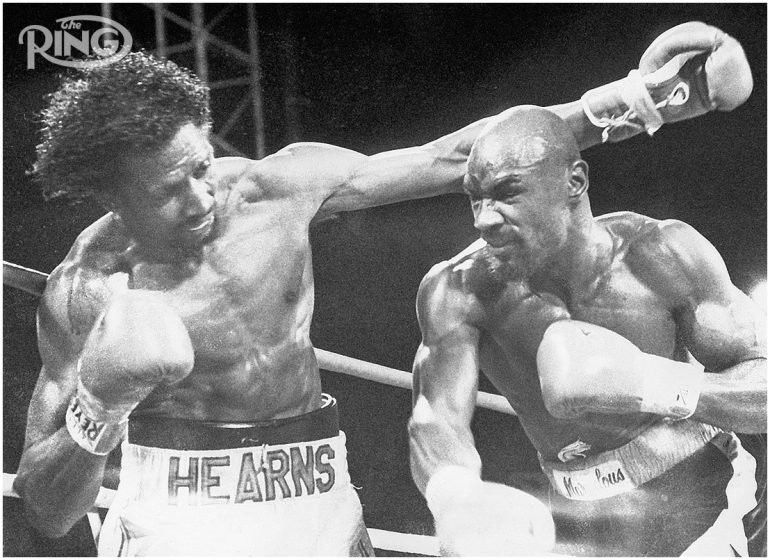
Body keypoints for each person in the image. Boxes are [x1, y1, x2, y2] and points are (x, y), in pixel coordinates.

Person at [14, 20, 752, 556]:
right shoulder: (87, 292)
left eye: (203, 166)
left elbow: (449, 158)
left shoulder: (275, 188)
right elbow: (47, 508)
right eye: (170, 190)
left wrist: (639, 102)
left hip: (315, 492)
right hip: (175, 515)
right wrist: (97, 409)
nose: (203, 196)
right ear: (113, 196)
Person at [408, 28, 764, 556]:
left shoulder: (661, 254)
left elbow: (762, 391)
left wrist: (651, 381)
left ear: (574, 182)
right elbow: (435, 417)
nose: (484, 219)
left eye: (507, 193)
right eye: (475, 199)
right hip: (580, 521)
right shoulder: (459, 290)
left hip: (704, 495)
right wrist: (456, 495)